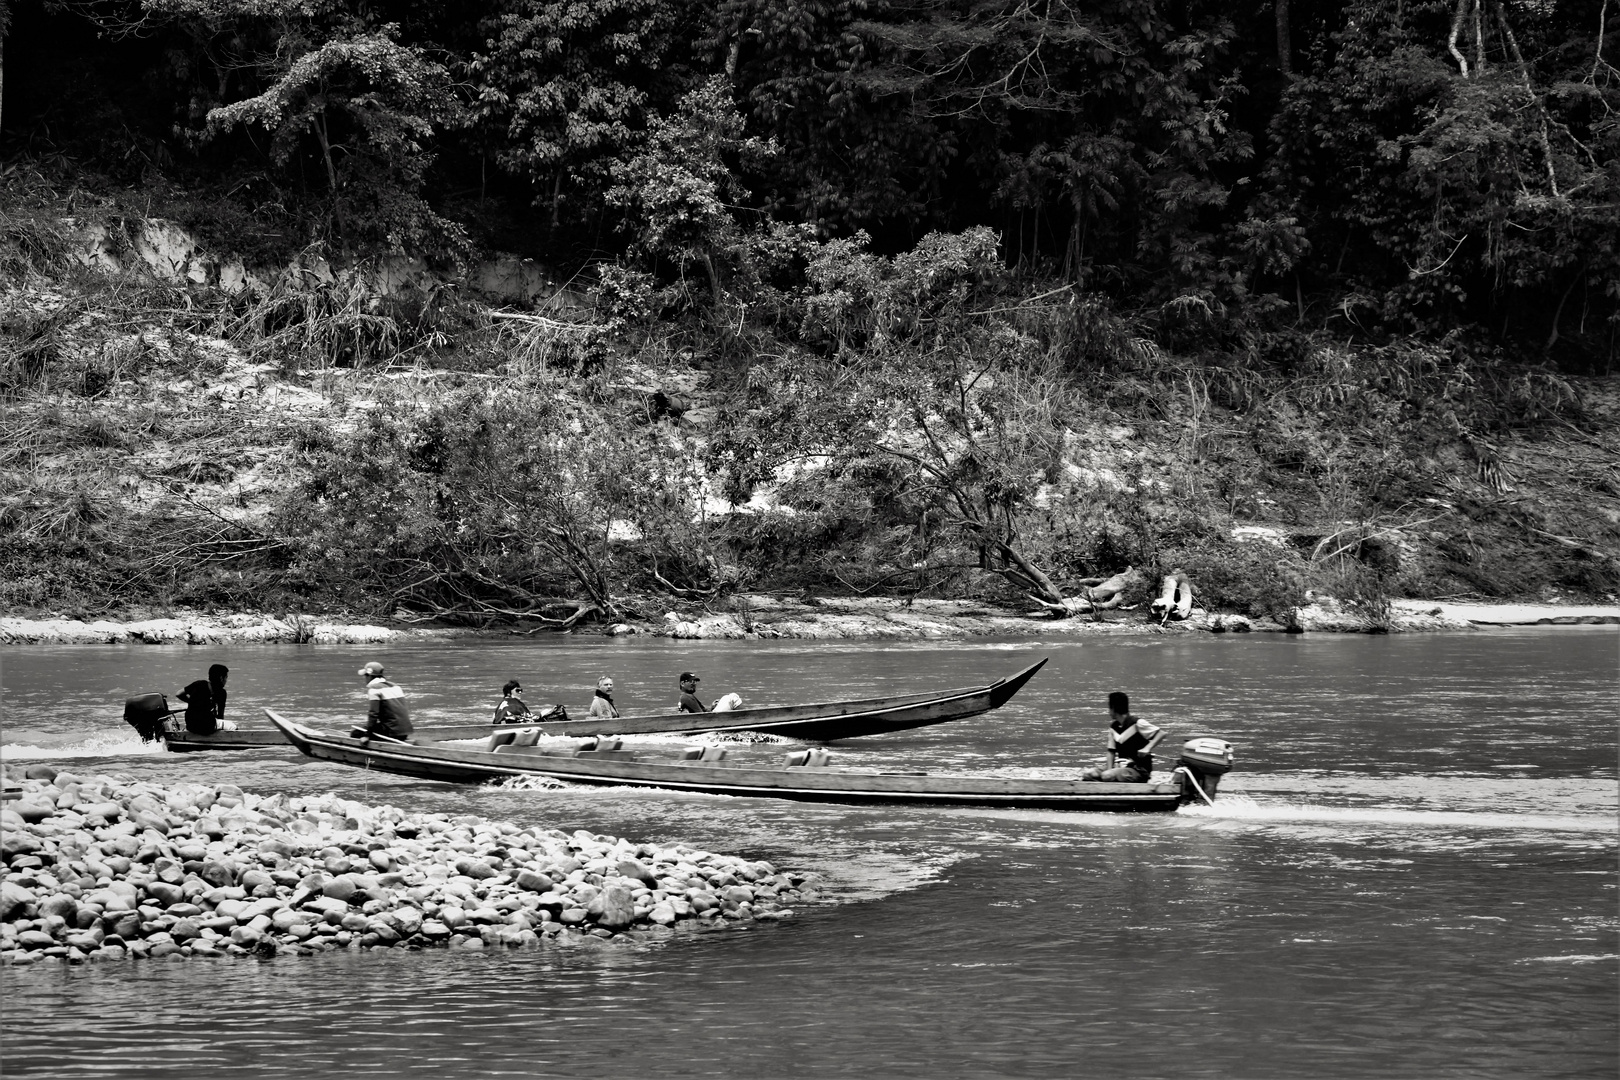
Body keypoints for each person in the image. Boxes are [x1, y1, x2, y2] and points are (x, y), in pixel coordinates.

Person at [1079, 691, 1165, 782]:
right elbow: (1111, 752)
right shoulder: (1113, 728)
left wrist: (1147, 748)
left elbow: (1161, 734)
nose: (1108, 712)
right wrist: (1109, 769)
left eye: (1109, 708)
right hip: (1121, 767)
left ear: (1114, 708)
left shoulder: (1137, 723)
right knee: (1088, 774)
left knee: (1107, 776)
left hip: (1139, 770)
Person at [359, 661, 413, 741]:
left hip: (392, 732)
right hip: (405, 732)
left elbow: (373, 714)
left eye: (365, 676)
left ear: (369, 676)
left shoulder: (374, 689)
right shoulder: (396, 686)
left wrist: (367, 735)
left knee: (356, 733)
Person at [176, 664, 238, 734]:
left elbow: (178, 694)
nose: (226, 680)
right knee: (232, 726)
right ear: (221, 678)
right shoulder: (222, 693)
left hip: (190, 725)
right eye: (226, 677)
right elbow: (221, 715)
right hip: (207, 726)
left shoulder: (198, 684)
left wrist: (191, 702)